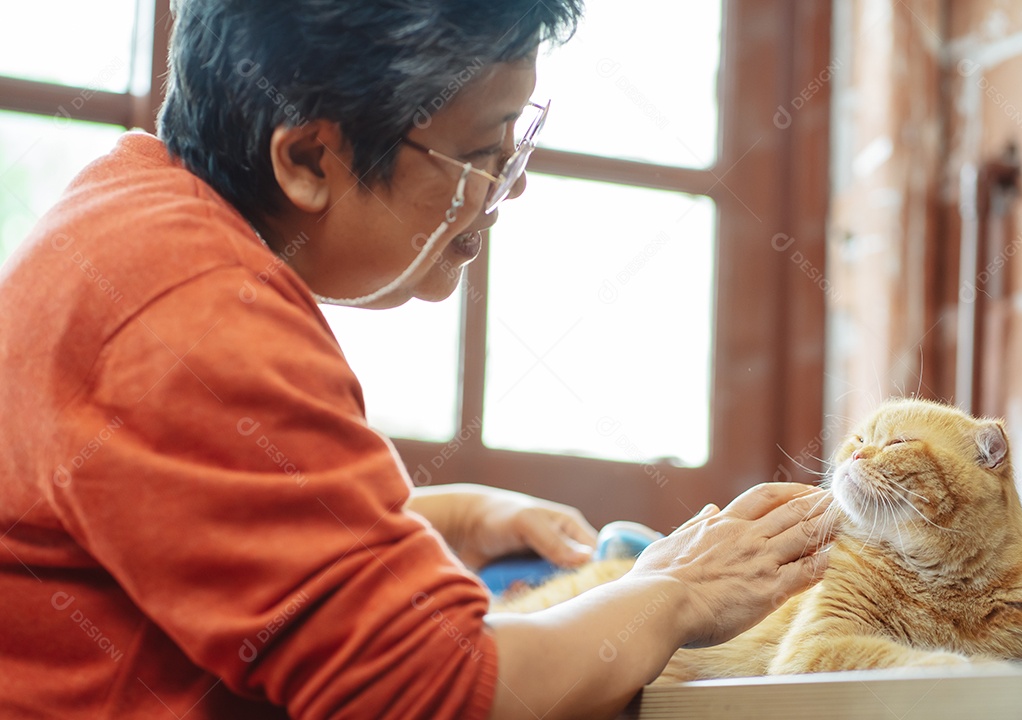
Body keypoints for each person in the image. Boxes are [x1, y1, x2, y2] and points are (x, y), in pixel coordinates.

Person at [0, 1, 832, 718]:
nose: (510, 187)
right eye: (479, 154)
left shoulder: (132, 203)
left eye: (517, 138)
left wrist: (453, 518)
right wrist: (680, 592)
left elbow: (188, 525)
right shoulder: (196, 318)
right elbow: (434, 695)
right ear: (308, 159)